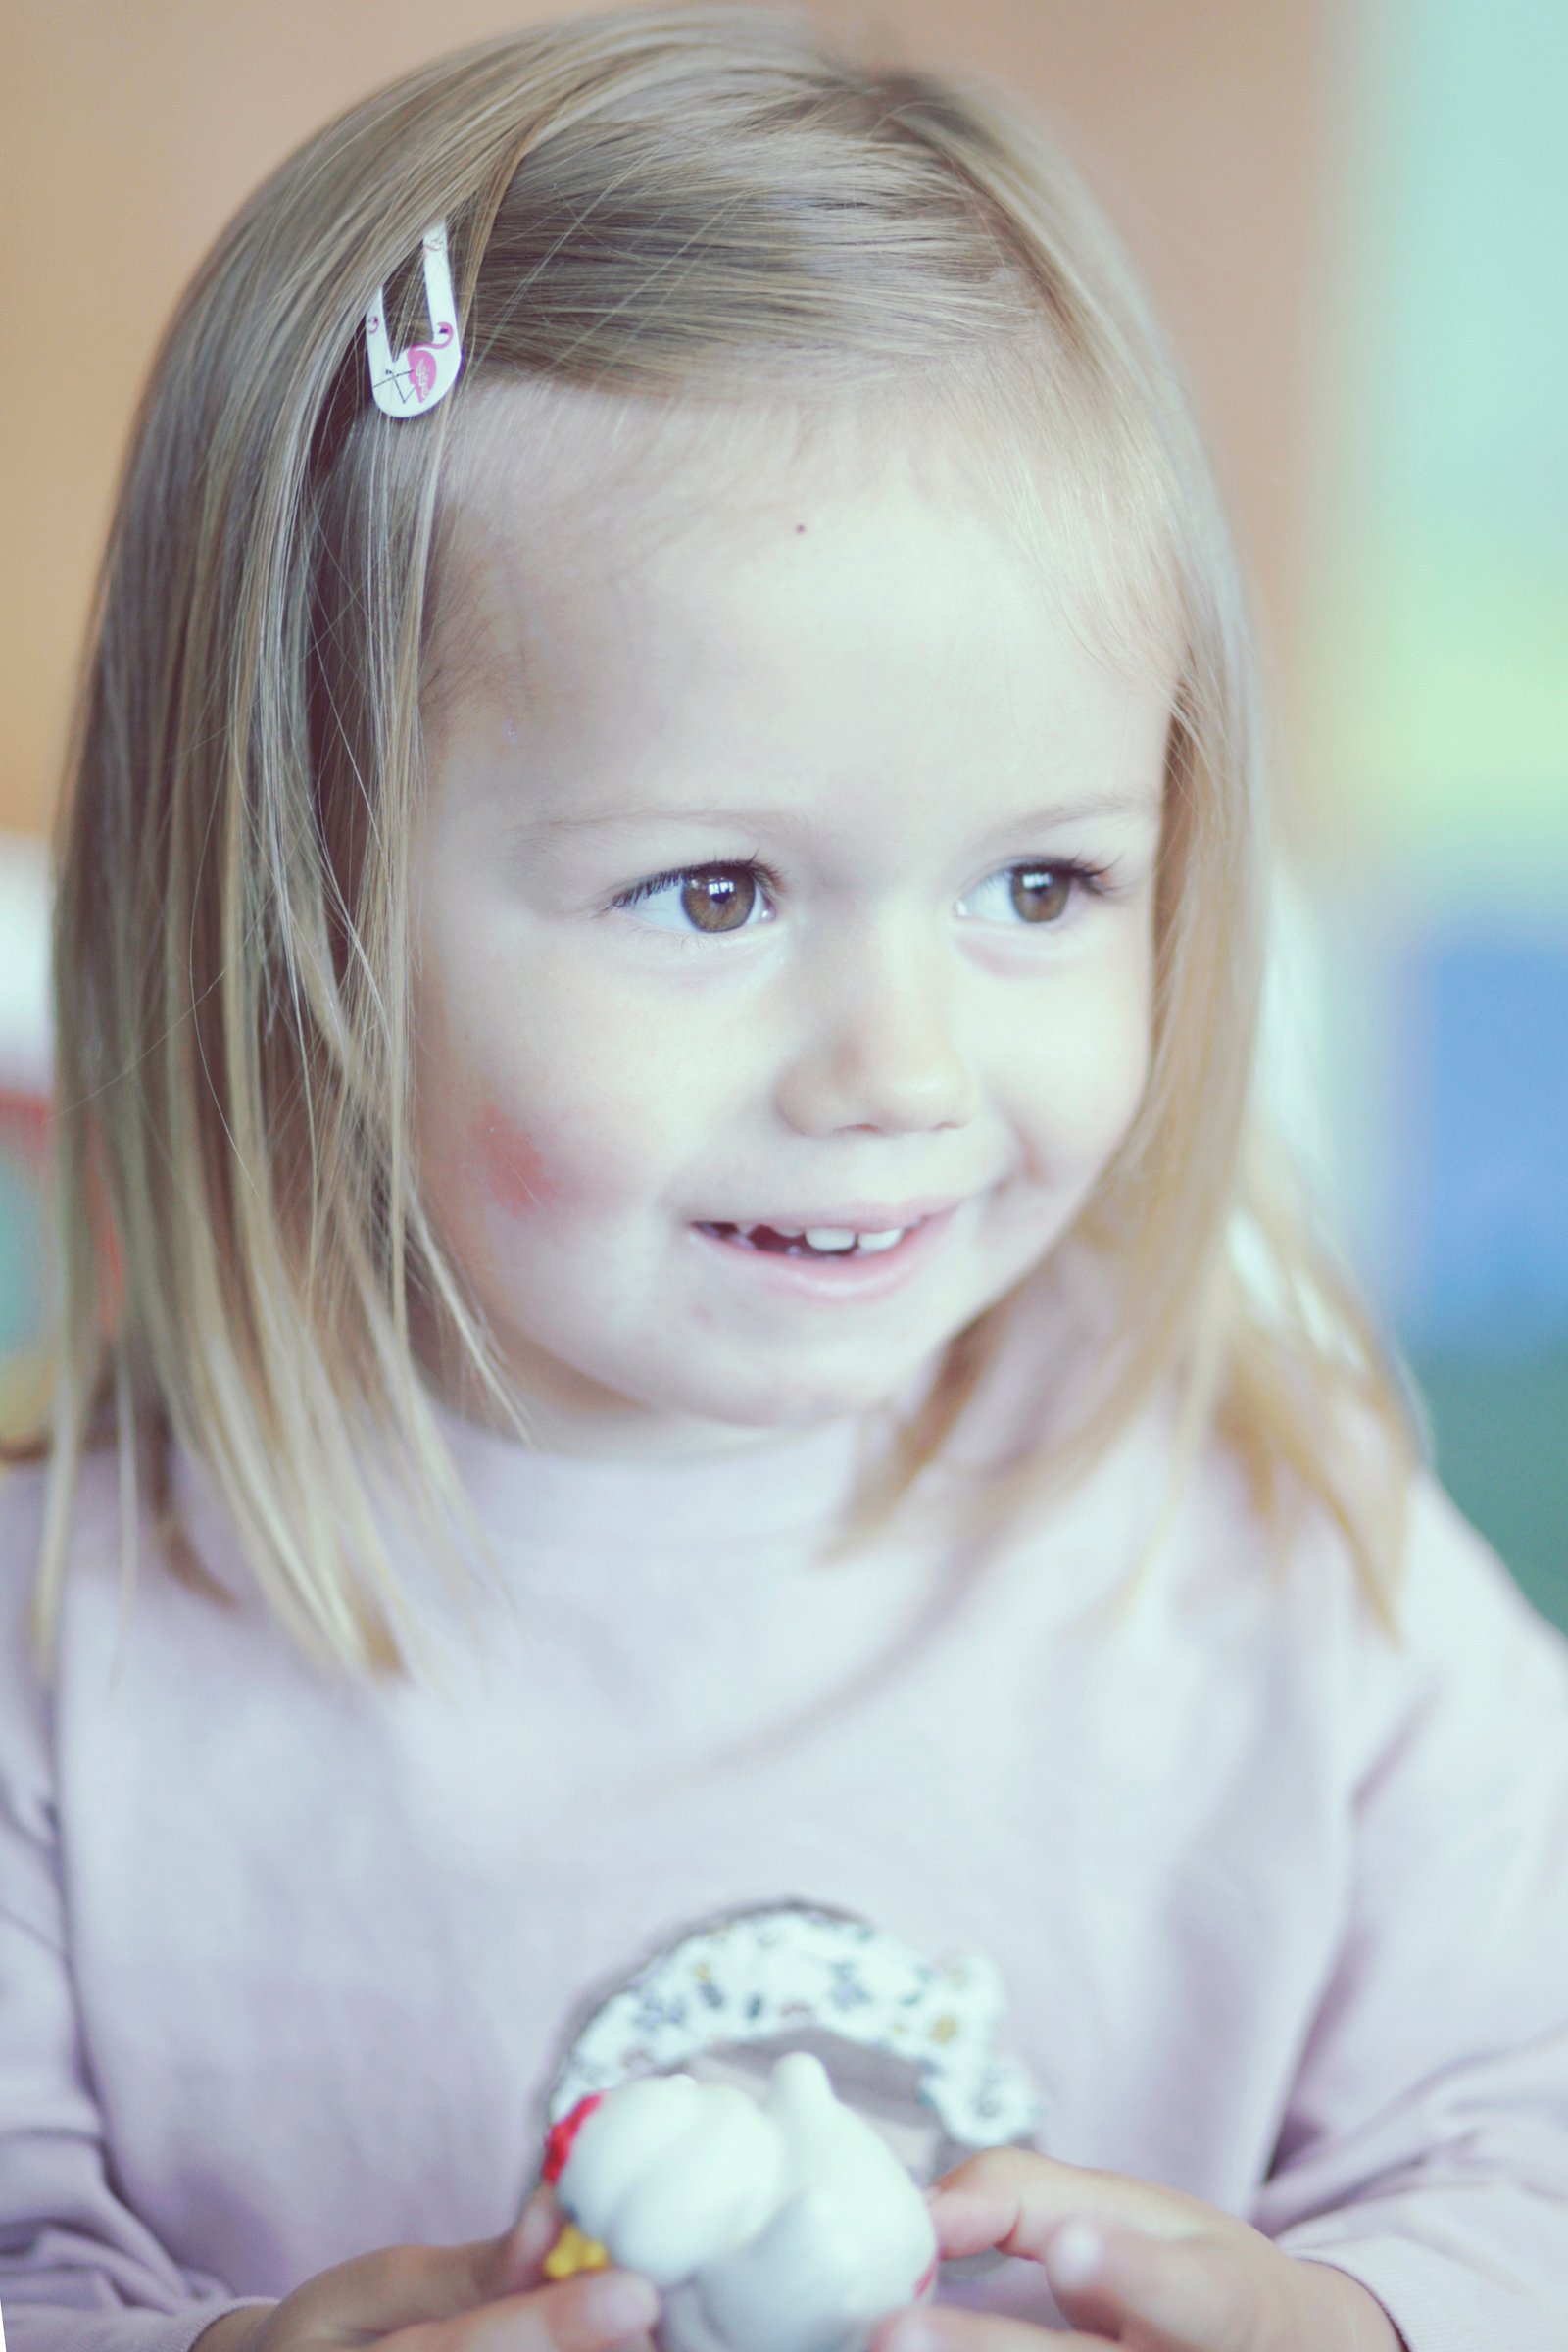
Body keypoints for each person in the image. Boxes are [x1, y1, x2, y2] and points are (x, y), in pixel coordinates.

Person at [1, 9, 1564, 2352]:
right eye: (715, 895)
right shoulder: (62, 1664)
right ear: (292, 907)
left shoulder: (1278, 1542)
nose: (900, 1069)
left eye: (1038, 889)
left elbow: (1526, 2127)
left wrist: (1354, 2320)